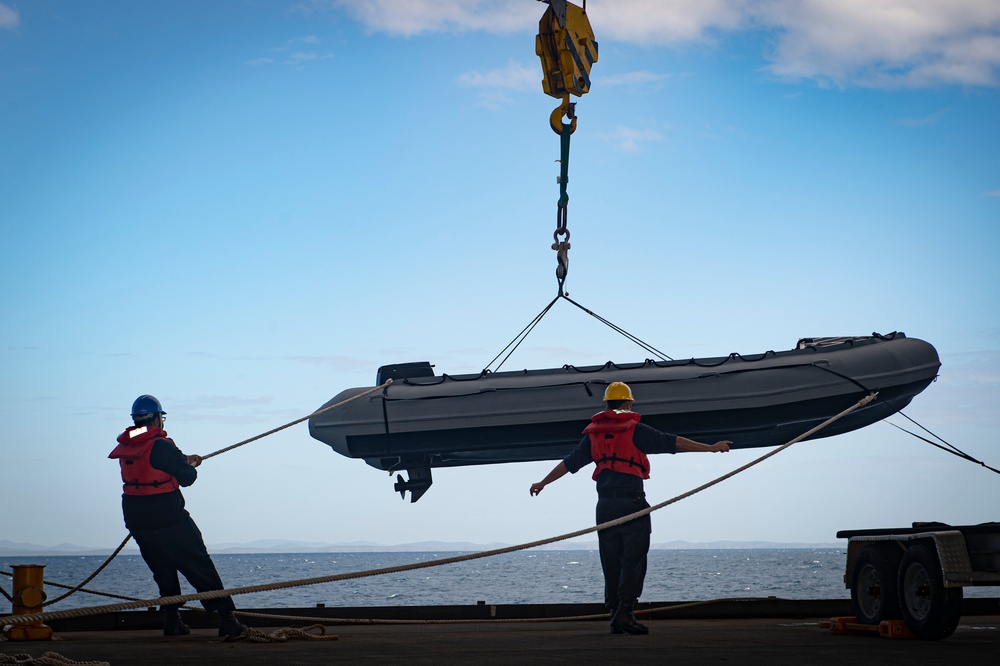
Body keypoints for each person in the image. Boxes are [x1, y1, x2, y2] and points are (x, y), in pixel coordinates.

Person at [529, 381, 731, 635]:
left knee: (611, 561)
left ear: (606, 405)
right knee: (633, 560)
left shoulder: (594, 435)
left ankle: (615, 614)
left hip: (604, 507)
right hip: (631, 503)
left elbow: (569, 464)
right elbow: (672, 442)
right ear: (627, 404)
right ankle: (625, 613)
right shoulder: (634, 429)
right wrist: (710, 448)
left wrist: (543, 482)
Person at [109, 394, 247, 637]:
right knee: (200, 565)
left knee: (163, 570)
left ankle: (172, 620)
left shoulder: (129, 445)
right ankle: (227, 619)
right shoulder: (161, 445)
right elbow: (187, 478)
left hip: (138, 521)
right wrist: (188, 465)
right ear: (156, 419)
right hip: (169, 519)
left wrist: (183, 460)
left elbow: (154, 464)